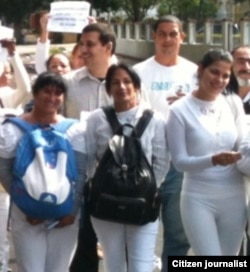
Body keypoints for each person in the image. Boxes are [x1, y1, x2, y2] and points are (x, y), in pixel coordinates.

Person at [85, 63, 169, 272]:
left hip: (142, 204)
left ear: (137, 86)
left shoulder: (154, 119)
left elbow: (161, 160)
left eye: (127, 81)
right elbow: (87, 158)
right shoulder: (97, 119)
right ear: (108, 89)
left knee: (141, 266)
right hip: (106, 202)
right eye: (115, 82)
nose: (121, 87)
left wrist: (145, 188)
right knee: (114, 265)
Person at [0, 71, 86, 272]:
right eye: (47, 91)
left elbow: (81, 172)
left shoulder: (75, 130)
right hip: (26, 217)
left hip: (65, 217)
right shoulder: (12, 129)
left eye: (58, 93)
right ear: (35, 94)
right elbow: (4, 170)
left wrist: (71, 212)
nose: (52, 98)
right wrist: (26, 205)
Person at [166, 48, 247, 255]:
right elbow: (179, 162)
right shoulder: (179, 110)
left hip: (234, 196)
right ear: (200, 70)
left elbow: (243, 145)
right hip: (198, 197)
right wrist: (213, 160)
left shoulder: (234, 103)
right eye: (214, 72)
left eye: (226, 75)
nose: (219, 79)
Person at [133, 15, 197, 270]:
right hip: (145, 162)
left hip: (181, 163)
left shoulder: (196, 72)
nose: (168, 39)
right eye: (162, 34)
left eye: (173, 34)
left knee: (178, 234)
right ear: (154, 37)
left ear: (182, 37)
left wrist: (189, 103)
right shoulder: (139, 72)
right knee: (140, 230)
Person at [65, 22, 118, 272]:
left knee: (118, 246)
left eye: (90, 44)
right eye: (82, 44)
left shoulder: (125, 83)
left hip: (116, 179)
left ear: (107, 47)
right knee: (82, 246)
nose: (83, 49)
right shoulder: (67, 84)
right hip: (77, 177)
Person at [0, 39, 32, 272]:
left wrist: (13, 55)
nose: (8, 74)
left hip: (1, 184)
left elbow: (27, 89)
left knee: (1, 233)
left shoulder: (6, 96)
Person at [227, 45, 250, 255]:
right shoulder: (218, 98)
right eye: (241, 61)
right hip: (222, 180)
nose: (246, 66)